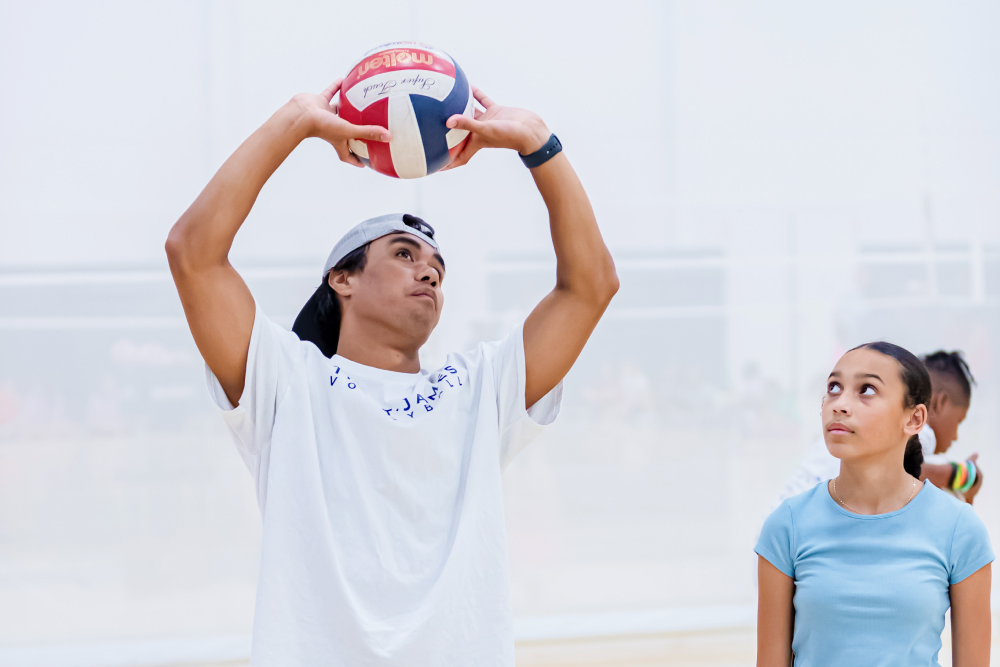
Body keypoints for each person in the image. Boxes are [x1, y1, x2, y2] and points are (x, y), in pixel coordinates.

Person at [165, 78, 618, 665]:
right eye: (404, 255)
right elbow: (192, 252)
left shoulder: (478, 389)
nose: (428, 273)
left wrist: (539, 142)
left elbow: (592, 286)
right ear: (342, 279)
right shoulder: (287, 381)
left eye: (437, 267)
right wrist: (296, 120)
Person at [756, 342, 994, 666]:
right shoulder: (785, 526)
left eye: (866, 389)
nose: (839, 404)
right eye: (833, 388)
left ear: (915, 419)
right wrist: (966, 474)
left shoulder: (960, 529)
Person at [773, 350, 983, 506]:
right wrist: (965, 475)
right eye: (958, 422)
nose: (955, 436)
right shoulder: (910, 424)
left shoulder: (862, 424)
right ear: (939, 403)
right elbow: (910, 472)